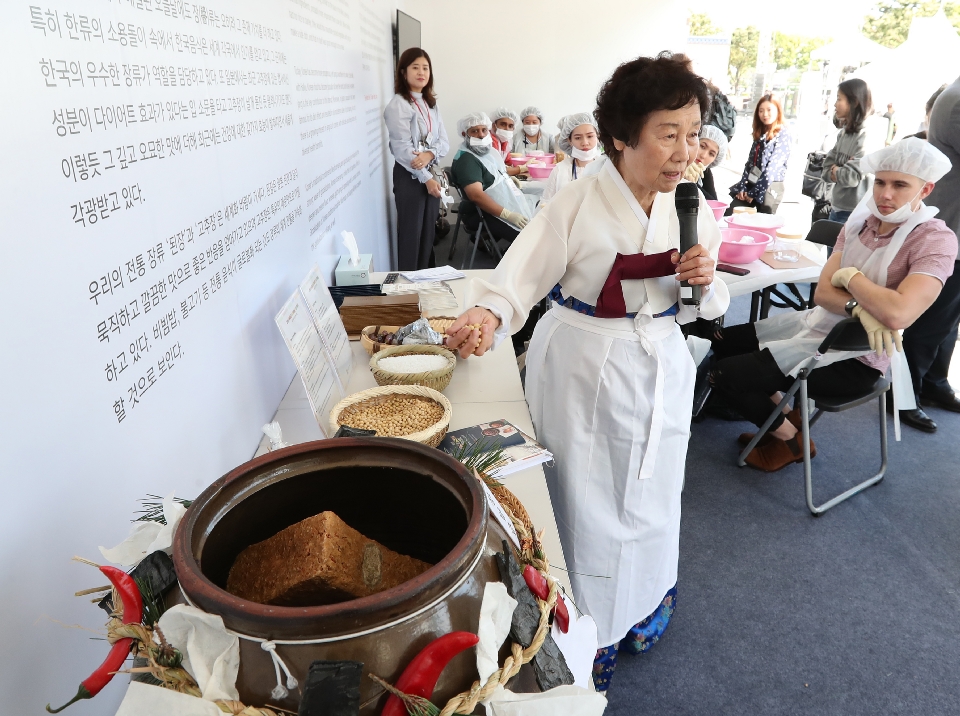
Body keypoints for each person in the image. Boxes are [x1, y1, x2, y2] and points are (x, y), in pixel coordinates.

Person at [444, 53, 729, 692]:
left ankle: (648, 596)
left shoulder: (692, 205)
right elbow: (518, 274)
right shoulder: (575, 201)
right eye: (669, 133)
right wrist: (490, 315)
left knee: (654, 489)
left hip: (658, 362)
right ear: (623, 136)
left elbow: (710, 305)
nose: (686, 151)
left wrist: (706, 286)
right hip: (583, 362)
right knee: (583, 497)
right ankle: (585, 623)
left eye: (693, 132)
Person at [708, 138, 955, 468]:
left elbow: (899, 312)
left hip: (858, 360)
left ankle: (790, 441)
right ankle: (784, 424)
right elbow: (822, 294)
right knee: (722, 343)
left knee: (723, 374)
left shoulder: (934, 239)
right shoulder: (859, 223)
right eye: (880, 182)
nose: (885, 194)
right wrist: (862, 309)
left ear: (925, 189)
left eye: (900, 185)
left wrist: (849, 277)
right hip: (817, 325)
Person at [901, 75, 960, 431]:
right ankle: (905, 395)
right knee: (931, 321)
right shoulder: (956, 102)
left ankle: (934, 383)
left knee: (948, 322)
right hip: (951, 229)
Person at [383, 48, 449, 271]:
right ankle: (409, 292)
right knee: (412, 236)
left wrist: (430, 154)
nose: (421, 72)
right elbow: (402, 148)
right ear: (403, 72)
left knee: (427, 236)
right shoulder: (398, 104)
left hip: (428, 171)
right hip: (410, 176)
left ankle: (425, 285)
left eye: (425, 68)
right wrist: (426, 178)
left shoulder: (431, 103)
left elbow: (443, 141)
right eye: (415, 67)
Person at [449, 112, 534, 248]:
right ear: (465, 134)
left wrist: (508, 178)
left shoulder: (485, 151)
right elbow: (476, 195)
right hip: (483, 213)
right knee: (532, 236)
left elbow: (496, 170)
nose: (481, 135)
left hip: (498, 204)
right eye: (474, 131)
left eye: (484, 130)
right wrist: (507, 215)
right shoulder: (467, 160)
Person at [727, 94, 790, 214]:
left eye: (769, 110)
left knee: (763, 223)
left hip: (770, 186)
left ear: (778, 110)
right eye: (761, 111)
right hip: (752, 182)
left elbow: (772, 170)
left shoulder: (783, 134)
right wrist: (743, 186)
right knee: (732, 212)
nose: (765, 114)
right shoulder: (761, 132)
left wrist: (754, 193)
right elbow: (750, 163)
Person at [821, 78, 872, 223]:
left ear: (854, 102)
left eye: (839, 99)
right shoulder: (844, 133)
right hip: (836, 208)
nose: (835, 104)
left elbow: (852, 177)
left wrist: (836, 170)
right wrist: (838, 170)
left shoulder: (866, 135)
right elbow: (825, 170)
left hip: (856, 213)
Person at [539, 112, 600, 203]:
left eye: (590, 136)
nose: (585, 142)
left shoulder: (607, 168)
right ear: (569, 140)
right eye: (578, 138)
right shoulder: (560, 170)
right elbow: (545, 205)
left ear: (598, 136)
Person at [683, 124, 727, 201]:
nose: (703, 155)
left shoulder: (705, 171)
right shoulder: (674, 163)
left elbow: (713, 202)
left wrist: (693, 184)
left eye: (711, 154)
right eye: (702, 146)